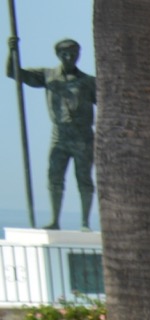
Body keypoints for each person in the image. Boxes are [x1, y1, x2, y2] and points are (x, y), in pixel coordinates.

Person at [4, 38, 94, 229]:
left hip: (83, 137)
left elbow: (111, 100)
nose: (69, 57)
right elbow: (14, 73)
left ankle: (85, 222)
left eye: (74, 52)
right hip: (60, 135)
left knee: (84, 179)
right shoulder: (48, 76)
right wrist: (11, 52)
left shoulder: (88, 82)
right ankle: (55, 221)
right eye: (65, 53)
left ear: (79, 54)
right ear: (58, 55)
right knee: (54, 177)